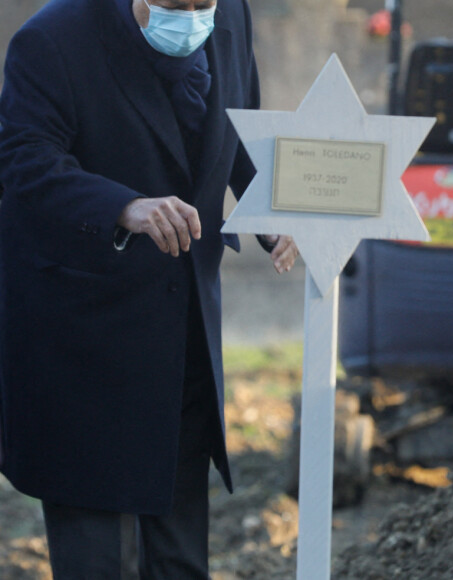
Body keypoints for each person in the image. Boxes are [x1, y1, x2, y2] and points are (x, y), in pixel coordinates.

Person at [0, 0, 298, 577]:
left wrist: (268, 205)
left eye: (198, 3)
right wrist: (124, 207)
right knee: (99, 561)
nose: (189, 13)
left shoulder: (229, 15)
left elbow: (237, 122)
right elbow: (24, 161)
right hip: (82, 343)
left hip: (182, 339)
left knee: (180, 556)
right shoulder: (52, 40)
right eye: (171, 3)